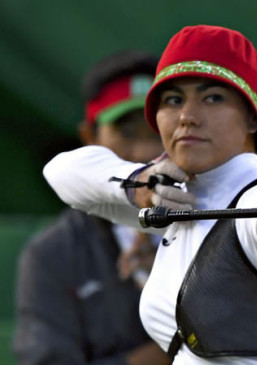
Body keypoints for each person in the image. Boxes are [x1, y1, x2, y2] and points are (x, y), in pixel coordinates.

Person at [43, 25, 257, 364]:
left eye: (212, 98)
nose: (187, 117)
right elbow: (59, 173)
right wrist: (139, 183)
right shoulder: (178, 195)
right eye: (173, 100)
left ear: (250, 118)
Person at [13, 50, 171, 365]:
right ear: (89, 136)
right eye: (125, 132)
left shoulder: (219, 224)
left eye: (157, 130)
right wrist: (170, 350)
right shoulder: (53, 253)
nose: (145, 151)